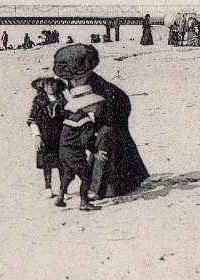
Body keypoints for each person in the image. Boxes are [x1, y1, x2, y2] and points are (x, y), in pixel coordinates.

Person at [53, 44, 150, 200]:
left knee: (107, 141)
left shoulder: (105, 89)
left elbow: (108, 112)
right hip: (99, 113)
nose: (75, 82)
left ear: (88, 71)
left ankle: (101, 188)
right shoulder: (72, 82)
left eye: (78, 78)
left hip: (115, 108)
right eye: (71, 79)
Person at [55, 83, 106, 211]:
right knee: (86, 175)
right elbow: (86, 140)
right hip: (75, 153)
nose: (96, 106)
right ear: (86, 104)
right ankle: (84, 202)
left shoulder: (71, 116)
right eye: (94, 104)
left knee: (67, 174)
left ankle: (60, 197)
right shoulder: (85, 121)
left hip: (63, 151)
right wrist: (95, 151)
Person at [28, 77, 65, 198]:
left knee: (62, 161)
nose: (50, 86)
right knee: (46, 162)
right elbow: (33, 119)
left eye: (52, 83)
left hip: (60, 135)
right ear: (42, 86)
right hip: (45, 135)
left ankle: (62, 188)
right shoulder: (39, 100)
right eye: (47, 84)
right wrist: (37, 135)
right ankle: (48, 187)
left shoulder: (62, 100)